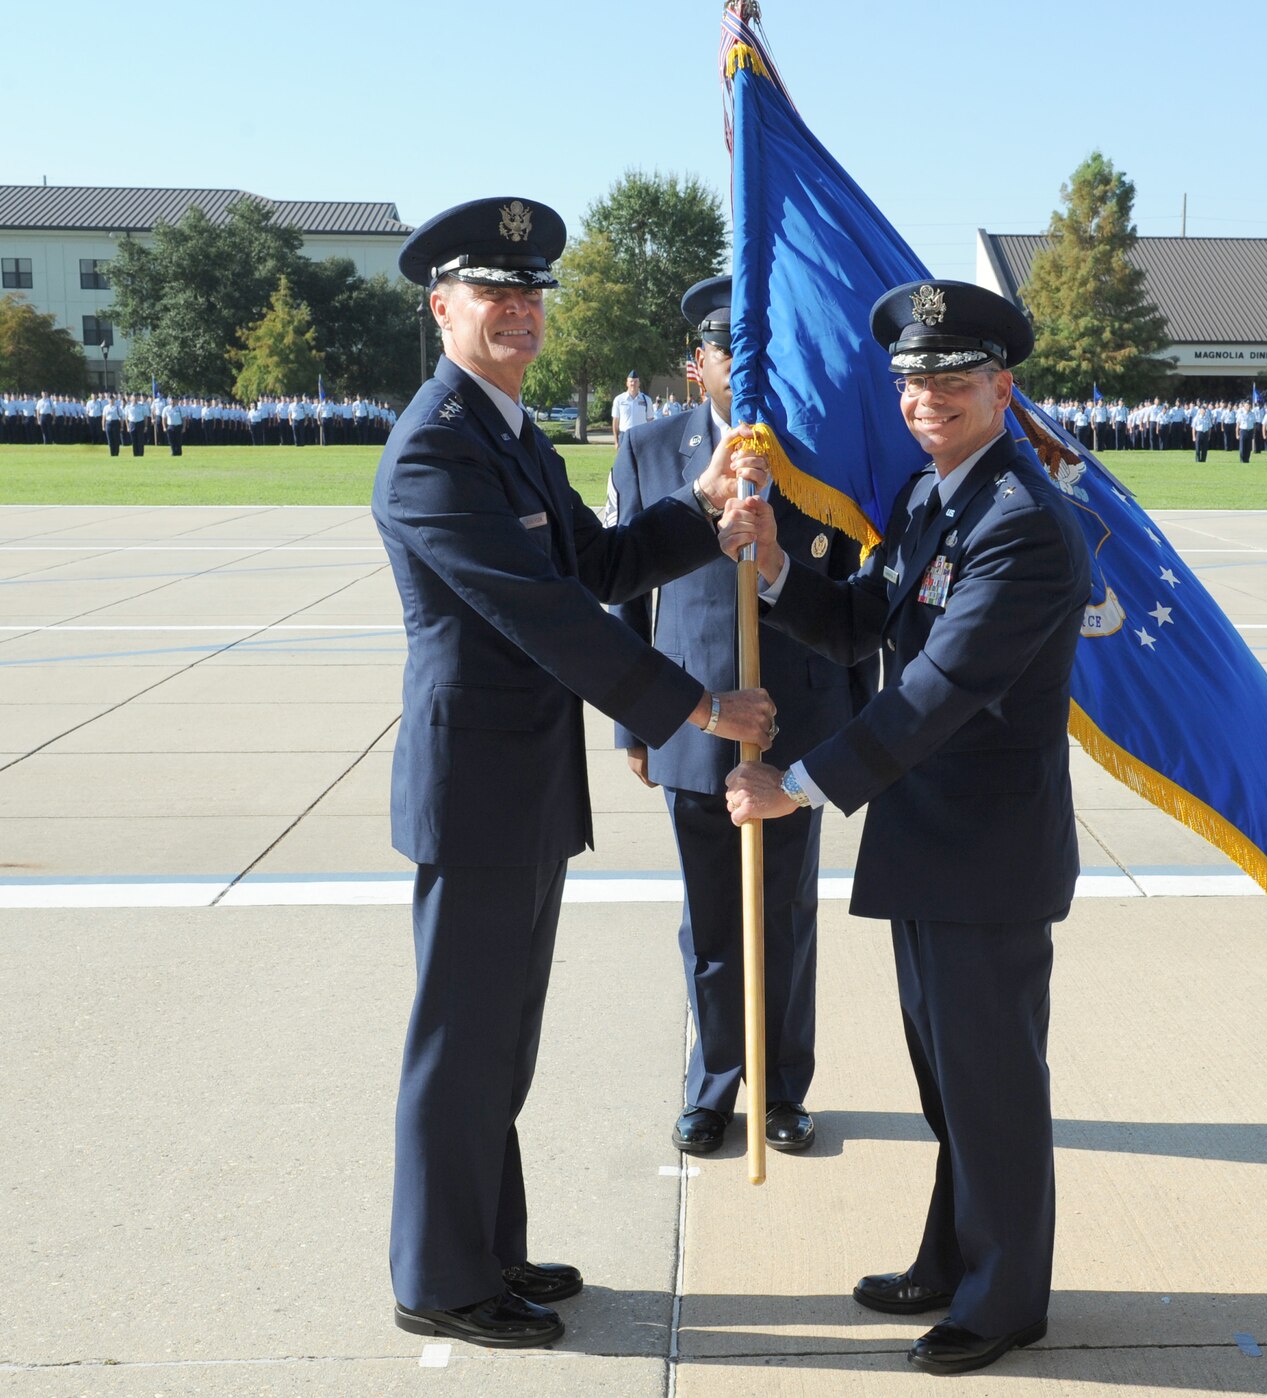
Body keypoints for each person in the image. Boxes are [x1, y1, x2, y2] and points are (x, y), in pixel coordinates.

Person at [372, 196, 775, 1352]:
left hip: (522, 782)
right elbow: (548, 614)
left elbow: (594, 562)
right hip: (476, 791)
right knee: (462, 1041)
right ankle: (438, 1274)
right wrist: (695, 702)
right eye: (491, 294)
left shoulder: (505, 429)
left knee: (501, 1037)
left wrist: (697, 511)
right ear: (440, 307)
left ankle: (487, 1245)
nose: (516, 312)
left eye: (529, 293)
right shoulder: (437, 448)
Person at [720, 279, 1090, 1377]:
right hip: (932, 840)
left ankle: (1004, 1298)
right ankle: (952, 1258)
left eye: (952, 378)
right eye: (913, 380)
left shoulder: (1020, 523)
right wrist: (775, 562)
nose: (928, 396)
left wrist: (800, 782)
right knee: (950, 1080)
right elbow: (859, 628)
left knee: (992, 1083)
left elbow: (938, 689)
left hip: (985, 848)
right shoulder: (939, 503)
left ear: (1000, 388)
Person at [609, 274, 873, 1158]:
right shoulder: (651, 451)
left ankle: (784, 1090)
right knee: (710, 918)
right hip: (688, 722)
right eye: (728, 349)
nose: (744, 365)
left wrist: (855, 722)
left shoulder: (819, 457)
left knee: (788, 917)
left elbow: (856, 602)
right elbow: (623, 593)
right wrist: (634, 725)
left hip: (797, 720)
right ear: (698, 366)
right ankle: (715, 1083)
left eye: (761, 348)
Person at [611, 370, 653, 447]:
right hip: (625, 436)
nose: (633, 384)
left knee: (640, 459)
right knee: (625, 459)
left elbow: (650, 421)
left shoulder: (646, 400)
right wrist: (616, 441)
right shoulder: (619, 399)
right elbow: (615, 422)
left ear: (639, 384)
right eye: (631, 381)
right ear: (627, 383)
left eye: (636, 381)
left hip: (641, 436)